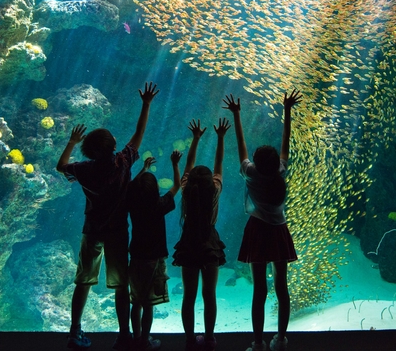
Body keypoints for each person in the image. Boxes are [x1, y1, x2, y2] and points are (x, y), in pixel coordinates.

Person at [56, 82, 159, 350]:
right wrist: (146, 104)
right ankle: (124, 333)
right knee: (120, 284)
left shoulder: (85, 169)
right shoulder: (122, 163)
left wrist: (71, 143)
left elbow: (61, 166)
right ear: (112, 146)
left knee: (83, 280)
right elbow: (138, 134)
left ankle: (74, 331)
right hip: (116, 231)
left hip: (92, 230)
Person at [223, 90, 302, 351]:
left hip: (257, 230)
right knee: (282, 285)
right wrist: (287, 110)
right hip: (279, 231)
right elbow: (286, 143)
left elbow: (241, 149)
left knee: (259, 288)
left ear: (256, 163)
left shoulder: (250, 174)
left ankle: (258, 343)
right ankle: (280, 339)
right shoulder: (279, 172)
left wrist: (236, 114)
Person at [172, 118, 231, 351]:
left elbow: (188, 168)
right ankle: (209, 338)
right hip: (209, 244)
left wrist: (195, 139)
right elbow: (219, 165)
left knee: (189, 295)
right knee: (210, 295)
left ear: (190, 181)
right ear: (211, 182)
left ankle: (189, 339)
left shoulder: (186, 190)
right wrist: (221, 137)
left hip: (188, 244)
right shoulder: (215, 189)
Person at [126, 150, 182, 351]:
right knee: (149, 303)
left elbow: (133, 187)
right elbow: (177, 186)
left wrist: (144, 169)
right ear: (155, 190)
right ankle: (145, 340)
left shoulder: (132, 203)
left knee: (136, 302)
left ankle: (136, 337)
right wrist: (175, 164)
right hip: (155, 259)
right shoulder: (159, 205)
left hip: (137, 257)